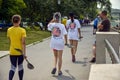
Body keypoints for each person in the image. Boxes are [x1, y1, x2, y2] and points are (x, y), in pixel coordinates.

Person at [7, 14, 27, 80]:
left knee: (12, 67)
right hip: (20, 53)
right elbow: (23, 43)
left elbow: (10, 41)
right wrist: (24, 53)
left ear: (12, 21)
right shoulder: (22, 30)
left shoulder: (9, 30)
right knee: (20, 66)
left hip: (12, 52)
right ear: (19, 21)